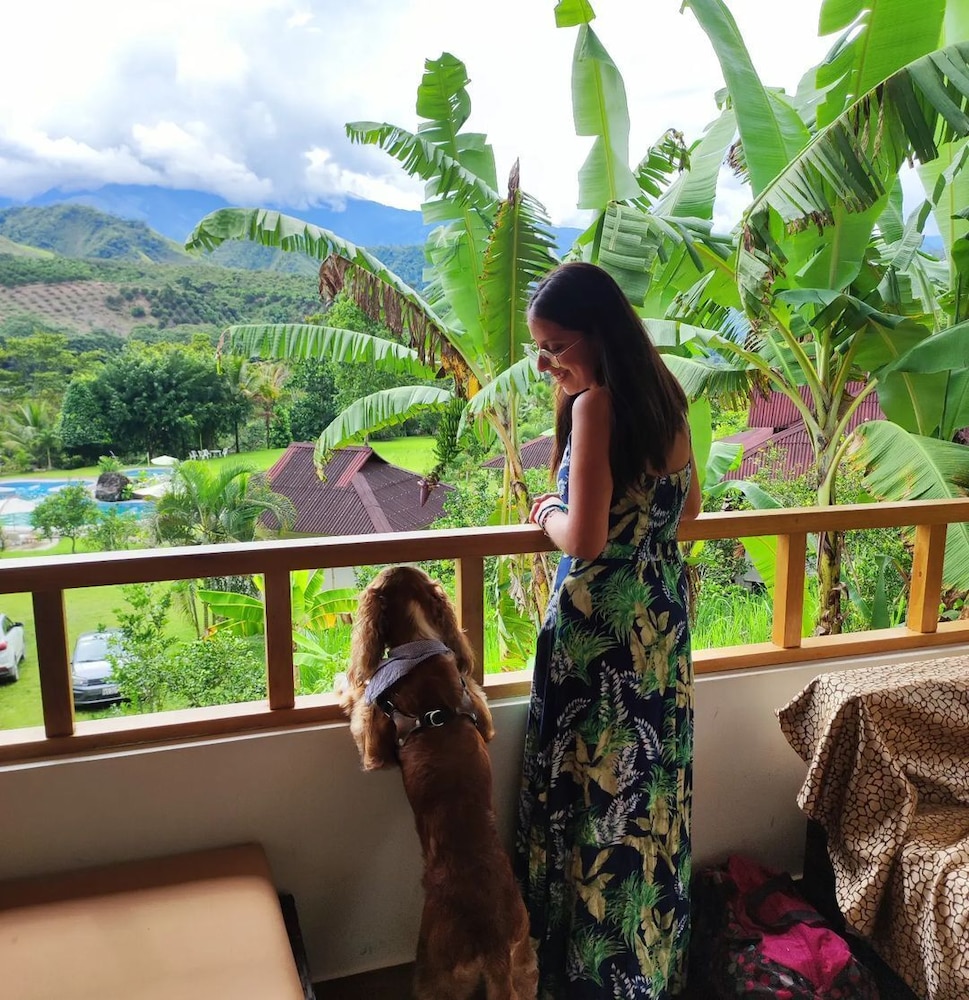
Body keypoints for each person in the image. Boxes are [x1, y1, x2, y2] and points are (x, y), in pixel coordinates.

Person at [515, 261, 702, 999]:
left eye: (554, 346)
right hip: (660, 618)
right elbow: (687, 512)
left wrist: (546, 513)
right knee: (648, 789)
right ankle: (642, 967)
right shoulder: (666, 397)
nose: (545, 364)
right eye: (539, 349)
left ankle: (582, 973)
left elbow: (586, 538)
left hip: (601, 632)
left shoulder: (597, 405)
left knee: (590, 792)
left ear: (597, 334)